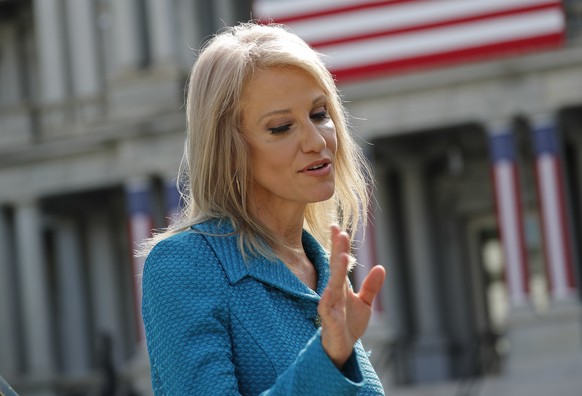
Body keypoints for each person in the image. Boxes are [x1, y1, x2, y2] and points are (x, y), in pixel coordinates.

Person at [141, 22, 386, 395]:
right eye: (282, 127)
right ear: (230, 150)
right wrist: (327, 356)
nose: (317, 140)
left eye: (319, 114)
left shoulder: (320, 266)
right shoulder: (184, 266)